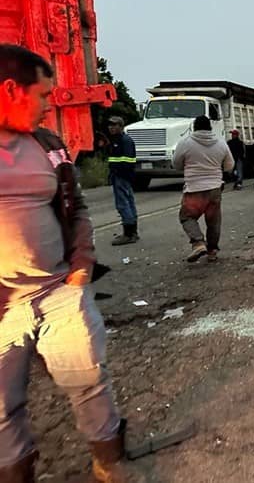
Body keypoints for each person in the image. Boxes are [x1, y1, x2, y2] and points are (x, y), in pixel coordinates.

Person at [0, 44, 141, 482]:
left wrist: (81, 264)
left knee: (87, 379)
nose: (48, 106)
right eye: (42, 95)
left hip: (60, 289)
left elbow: (76, 207)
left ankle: (109, 460)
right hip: (4, 305)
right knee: (3, 405)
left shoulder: (48, 146)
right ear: (10, 90)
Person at [173, 115, 234, 263]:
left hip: (194, 189)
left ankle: (198, 242)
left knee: (187, 217)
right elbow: (229, 166)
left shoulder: (185, 143)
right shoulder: (221, 144)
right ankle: (212, 251)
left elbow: (176, 164)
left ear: (194, 127)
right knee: (213, 221)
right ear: (210, 127)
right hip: (214, 188)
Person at [106, 115, 139, 244]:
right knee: (128, 203)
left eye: (114, 125)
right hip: (120, 175)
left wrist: (119, 173)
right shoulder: (117, 140)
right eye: (110, 125)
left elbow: (128, 161)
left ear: (121, 126)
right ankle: (133, 232)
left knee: (123, 204)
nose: (111, 127)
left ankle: (129, 233)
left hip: (122, 176)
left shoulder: (124, 141)